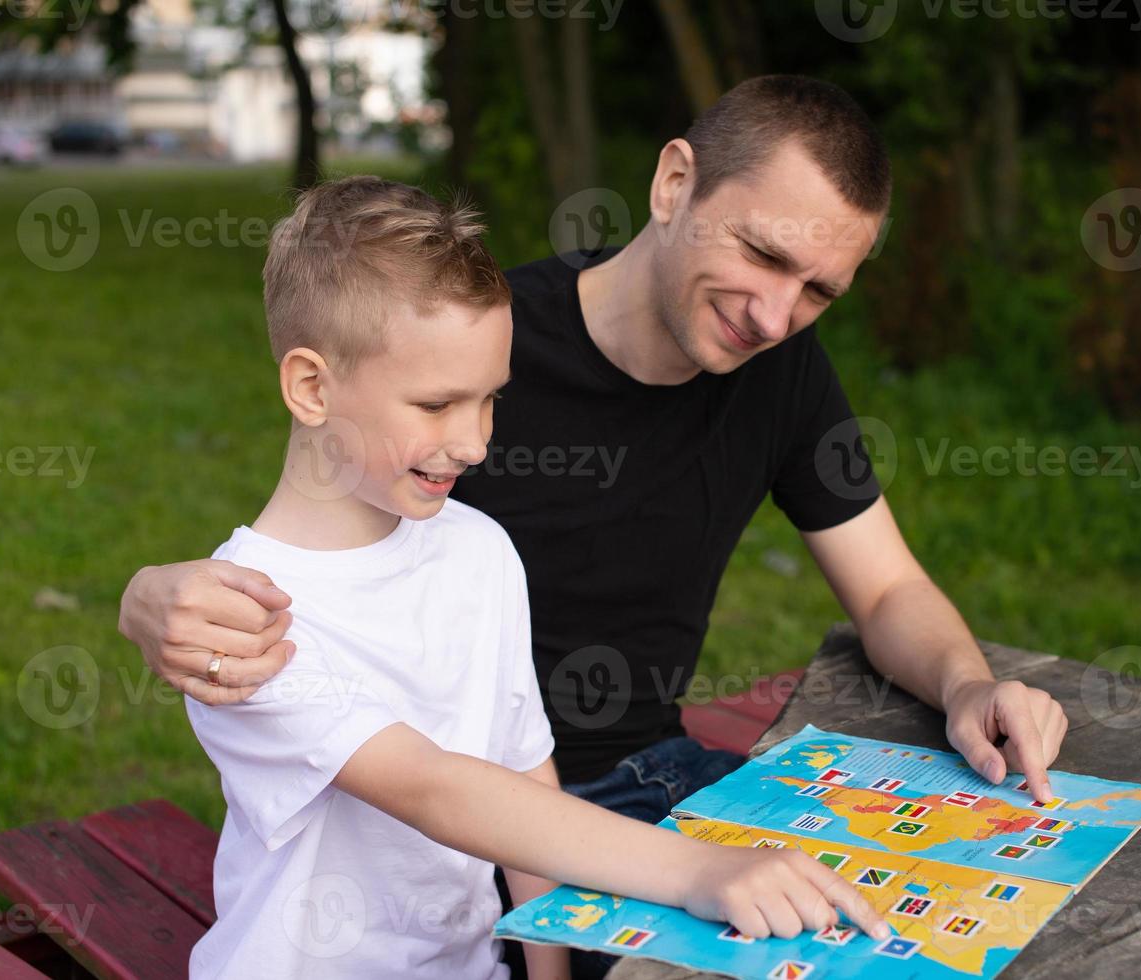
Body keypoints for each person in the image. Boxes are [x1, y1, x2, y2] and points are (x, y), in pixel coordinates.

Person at [121, 74, 1067, 838]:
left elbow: (889, 589)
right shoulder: (483, 353)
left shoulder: (782, 371)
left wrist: (965, 683)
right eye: (762, 255)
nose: (775, 316)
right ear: (672, 184)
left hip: (662, 776)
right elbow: (320, 560)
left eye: (819, 291)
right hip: (472, 820)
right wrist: (152, 599)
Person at [184, 176, 889, 980]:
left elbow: (524, 775)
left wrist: (549, 973)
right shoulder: (244, 615)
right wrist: (701, 870)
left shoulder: (478, 548)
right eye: (438, 403)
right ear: (312, 387)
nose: (475, 441)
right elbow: (435, 787)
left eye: (489, 401)